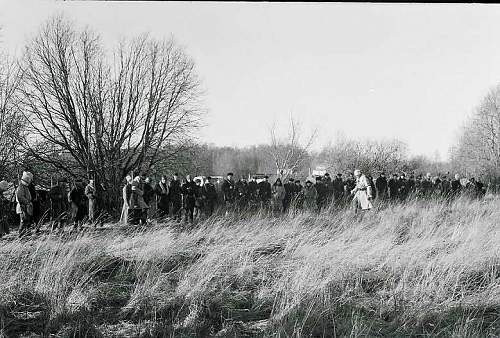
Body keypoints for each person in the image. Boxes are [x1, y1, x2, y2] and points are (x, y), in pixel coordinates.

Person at [16, 172, 33, 237]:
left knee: (26, 220)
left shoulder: (25, 187)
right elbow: (20, 197)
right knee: (23, 221)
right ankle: (21, 235)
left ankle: (25, 234)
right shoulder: (21, 187)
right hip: (22, 206)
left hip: (26, 206)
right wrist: (27, 202)